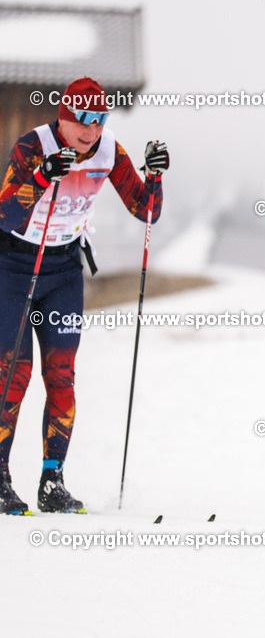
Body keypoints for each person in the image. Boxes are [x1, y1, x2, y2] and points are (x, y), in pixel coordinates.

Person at [0, 77, 168, 515]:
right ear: (64, 117)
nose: (91, 131)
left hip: (62, 272)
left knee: (61, 376)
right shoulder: (33, 145)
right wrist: (42, 176)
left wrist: (154, 177)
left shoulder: (109, 151)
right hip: (14, 268)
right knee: (13, 375)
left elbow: (146, 209)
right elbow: (5, 214)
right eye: (83, 121)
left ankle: (52, 482)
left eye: (100, 121)